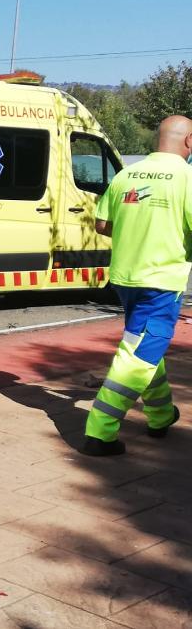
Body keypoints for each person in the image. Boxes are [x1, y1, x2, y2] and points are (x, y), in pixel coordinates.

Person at [83, 114, 191, 456]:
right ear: (189, 141)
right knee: (139, 353)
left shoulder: (127, 174)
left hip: (125, 278)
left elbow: (102, 224)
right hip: (161, 280)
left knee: (141, 342)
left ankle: (161, 415)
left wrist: (137, 233)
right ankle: (100, 432)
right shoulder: (187, 178)